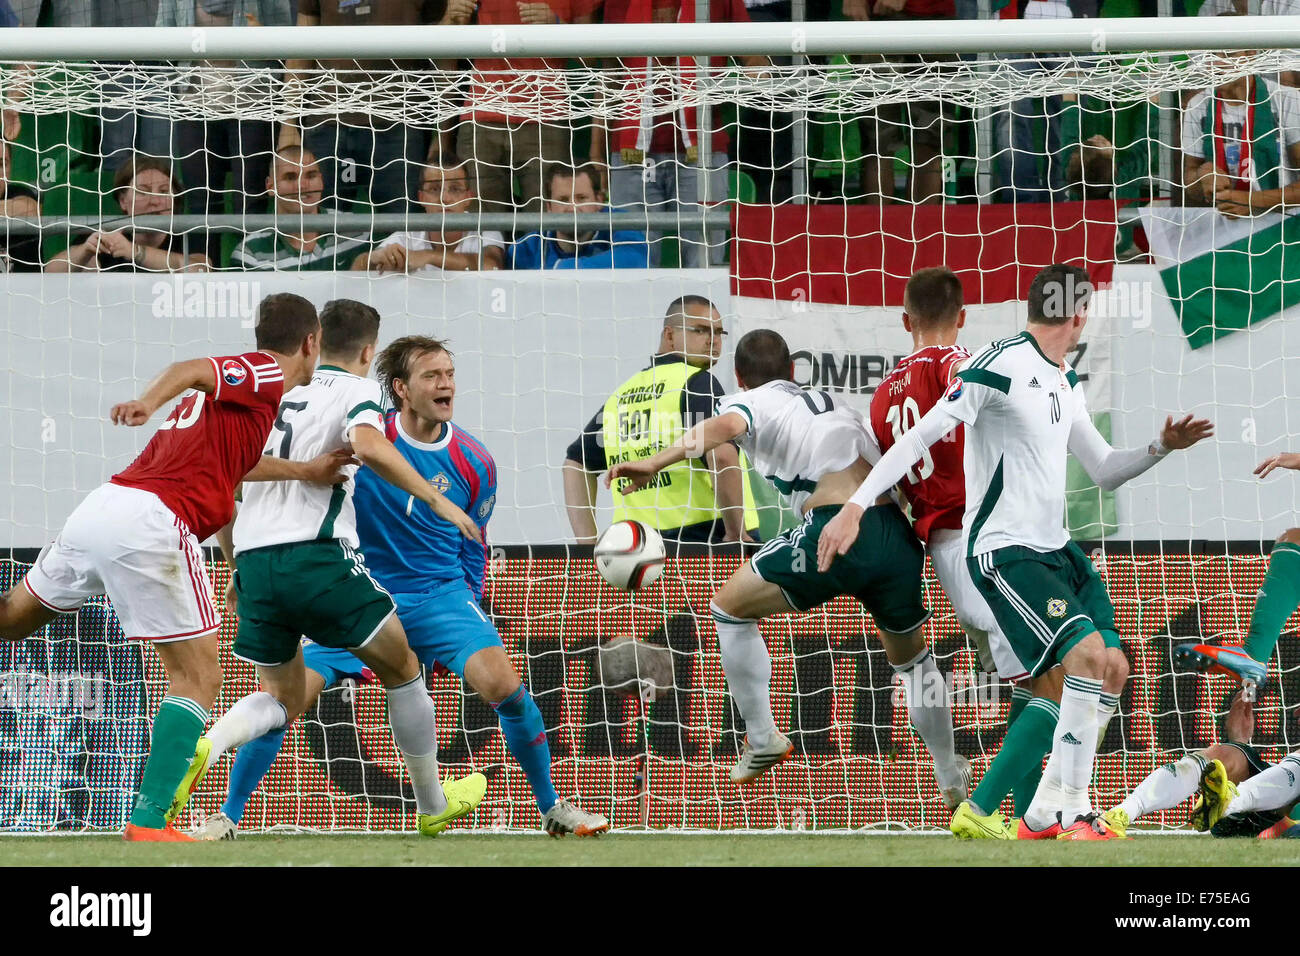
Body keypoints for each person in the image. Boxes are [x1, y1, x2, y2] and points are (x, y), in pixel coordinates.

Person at [817, 263, 1214, 840]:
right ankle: (1031, 811)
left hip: (1057, 550)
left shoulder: (1064, 378)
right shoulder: (994, 363)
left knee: (1112, 666)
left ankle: (1038, 816)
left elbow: (1104, 470)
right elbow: (919, 437)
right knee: (1071, 668)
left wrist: (1161, 446)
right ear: (1078, 315)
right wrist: (857, 505)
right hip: (1001, 553)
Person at [0, 292, 320, 841]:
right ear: (310, 343)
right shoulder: (267, 372)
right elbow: (189, 369)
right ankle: (149, 822)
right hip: (152, 523)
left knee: (9, 620)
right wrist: (147, 404)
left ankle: (150, 819)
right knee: (199, 677)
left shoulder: (246, 412)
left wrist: (304, 472)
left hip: (101, 510)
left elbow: (235, 474)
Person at [606, 328, 968, 799]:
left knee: (727, 608)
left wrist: (655, 463)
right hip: (897, 539)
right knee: (915, 664)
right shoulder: (834, 403)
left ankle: (762, 736)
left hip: (839, 529)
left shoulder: (752, 401)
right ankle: (948, 771)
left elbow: (724, 430)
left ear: (739, 377)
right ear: (793, 371)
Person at [172, 300, 487, 838]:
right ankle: (433, 805)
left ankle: (211, 741)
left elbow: (226, 483)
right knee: (404, 667)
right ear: (369, 351)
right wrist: (439, 503)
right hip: (319, 557)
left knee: (283, 698)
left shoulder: (267, 396)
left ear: (318, 339)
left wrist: (234, 569)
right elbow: (368, 444)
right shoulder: (358, 391)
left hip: (255, 565)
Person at [865, 267, 1129, 840]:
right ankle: (995, 809)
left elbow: (898, 462)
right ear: (962, 317)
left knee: (1033, 682)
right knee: (1063, 678)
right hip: (992, 541)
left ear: (904, 320)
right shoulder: (966, 363)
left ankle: (1033, 815)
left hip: (939, 546)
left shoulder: (883, 395)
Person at [339, 335, 611, 836]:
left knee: (507, 689)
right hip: (365, 594)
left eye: (449, 374)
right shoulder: (367, 444)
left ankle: (551, 808)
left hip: (441, 595)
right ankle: (226, 816)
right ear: (400, 388)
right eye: (431, 376)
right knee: (287, 698)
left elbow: (474, 542)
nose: (446, 385)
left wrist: (467, 602)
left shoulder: (474, 460)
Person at [563, 295, 756, 545]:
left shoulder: (621, 397)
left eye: (719, 332)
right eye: (700, 330)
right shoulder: (698, 383)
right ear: (669, 335)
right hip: (707, 537)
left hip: (635, 548)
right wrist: (735, 532)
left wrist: (587, 546)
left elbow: (575, 463)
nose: (713, 340)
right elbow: (722, 456)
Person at [602, 0, 767, 267]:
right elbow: (606, 73)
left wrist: (752, 75)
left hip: (702, 149)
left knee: (703, 264)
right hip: (631, 152)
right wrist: (596, 150)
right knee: (629, 264)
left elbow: (753, 55)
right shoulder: (619, 4)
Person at [158, 0, 294, 264]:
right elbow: (162, 38)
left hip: (252, 103)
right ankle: (203, 273)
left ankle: (250, 268)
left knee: (250, 200)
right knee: (200, 202)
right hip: (193, 105)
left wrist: (260, 35)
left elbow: (284, 45)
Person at [283, 0, 451, 214]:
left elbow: (444, 55)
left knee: (401, 230)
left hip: (398, 126)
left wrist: (442, 134)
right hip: (329, 125)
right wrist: (288, 125)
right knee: (322, 228)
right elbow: (300, 47)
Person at [456, 0, 597, 215]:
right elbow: (444, 44)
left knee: (546, 226)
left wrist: (556, 24)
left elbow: (591, 55)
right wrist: (450, 19)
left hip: (546, 116)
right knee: (480, 229)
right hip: (481, 114)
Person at [1101, 691, 1295, 837]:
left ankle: (1229, 802)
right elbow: (1252, 666)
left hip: (1285, 812)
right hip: (1268, 803)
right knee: (1225, 754)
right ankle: (1121, 814)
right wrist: (1240, 740)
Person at [1182, 50, 1300, 216]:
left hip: (1282, 227)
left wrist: (1252, 201)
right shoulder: (1198, 106)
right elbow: (1190, 183)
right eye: (1211, 56)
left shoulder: (1288, 100)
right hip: (1227, 227)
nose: (1217, 65)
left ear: (1251, 55)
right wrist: (1203, 175)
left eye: (1229, 55)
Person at [46, 155, 211, 273]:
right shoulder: (106, 236)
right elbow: (50, 273)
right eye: (142, 192)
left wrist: (135, 252)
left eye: (163, 192)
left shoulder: (189, 235)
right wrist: (84, 251)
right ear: (123, 201)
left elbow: (200, 269)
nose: (155, 200)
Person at [352, 151, 505, 273]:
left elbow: (492, 266)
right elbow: (356, 269)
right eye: (434, 189)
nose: (445, 199)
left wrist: (427, 257)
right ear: (421, 197)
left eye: (455, 189)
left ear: (468, 198)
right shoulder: (409, 234)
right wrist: (373, 258)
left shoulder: (485, 229)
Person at [231, 145, 370, 270]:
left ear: (321, 181)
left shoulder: (357, 231)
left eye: (311, 176)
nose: (302, 186)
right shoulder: (250, 254)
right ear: (270, 186)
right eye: (290, 177)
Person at [510, 163, 650, 270]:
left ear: (599, 201)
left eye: (581, 198)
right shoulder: (528, 249)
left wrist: (561, 270)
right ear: (549, 207)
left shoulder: (620, 224)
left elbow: (636, 259)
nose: (572, 208)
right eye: (563, 200)